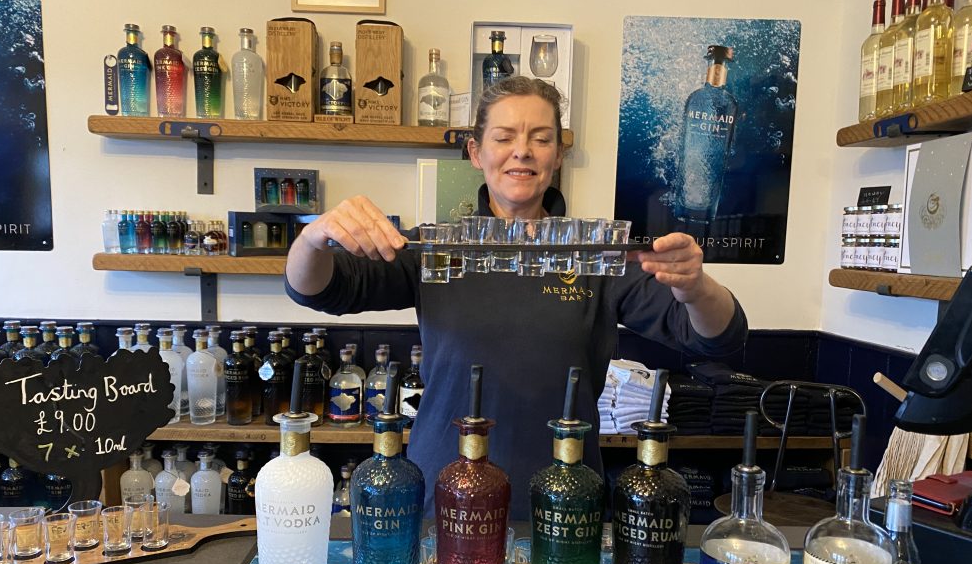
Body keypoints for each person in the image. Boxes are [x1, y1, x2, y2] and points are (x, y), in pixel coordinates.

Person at [285, 76, 747, 519]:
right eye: (504, 136)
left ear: (558, 153)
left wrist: (695, 286)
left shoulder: (595, 256)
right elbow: (320, 289)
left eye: (541, 138)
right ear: (476, 152)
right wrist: (312, 238)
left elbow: (716, 338)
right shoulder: (437, 250)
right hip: (446, 491)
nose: (522, 150)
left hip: (564, 497)